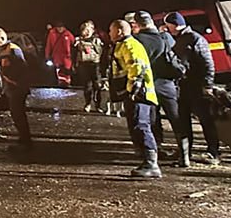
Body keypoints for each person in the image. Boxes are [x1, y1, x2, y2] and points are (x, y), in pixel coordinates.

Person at [163, 11, 221, 166]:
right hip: (183, 86)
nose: (167, 29)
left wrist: (207, 85)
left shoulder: (195, 39)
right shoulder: (178, 39)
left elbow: (208, 63)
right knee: (183, 120)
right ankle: (185, 151)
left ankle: (213, 152)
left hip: (197, 86)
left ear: (174, 25)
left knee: (205, 119)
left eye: (168, 26)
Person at [130, 10, 188, 163]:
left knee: (151, 120)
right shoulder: (165, 37)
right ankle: (184, 155)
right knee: (176, 119)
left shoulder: (136, 40)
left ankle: (155, 151)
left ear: (137, 24)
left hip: (148, 86)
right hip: (167, 84)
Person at [110, 18, 161, 178]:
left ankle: (151, 164)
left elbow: (136, 67)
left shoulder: (129, 45)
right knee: (137, 126)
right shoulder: (124, 45)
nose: (109, 33)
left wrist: (132, 89)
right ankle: (147, 161)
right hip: (136, 93)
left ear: (119, 31)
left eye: (111, 30)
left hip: (140, 94)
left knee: (141, 125)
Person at [0, 26, 32, 146]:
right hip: (12, 87)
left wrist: (17, 83)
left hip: (17, 87)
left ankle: (26, 140)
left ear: (2, 38)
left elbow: (22, 67)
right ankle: (23, 137)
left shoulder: (12, 49)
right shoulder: (5, 50)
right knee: (16, 113)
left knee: (18, 113)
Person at [72, 20, 104, 112]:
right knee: (87, 86)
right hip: (84, 64)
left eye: (88, 30)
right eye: (84, 30)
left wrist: (93, 45)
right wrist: (74, 64)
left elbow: (101, 52)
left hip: (95, 64)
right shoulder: (78, 41)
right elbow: (73, 53)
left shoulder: (96, 40)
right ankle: (88, 104)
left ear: (92, 30)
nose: (86, 32)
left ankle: (98, 105)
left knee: (97, 85)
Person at [45, 21, 75, 86]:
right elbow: (48, 45)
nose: (60, 29)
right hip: (57, 56)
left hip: (67, 57)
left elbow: (73, 43)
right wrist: (47, 55)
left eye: (61, 27)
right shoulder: (52, 33)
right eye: (58, 27)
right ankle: (61, 82)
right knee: (59, 70)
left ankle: (67, 82)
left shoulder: (68, 34)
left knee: (66, 70)